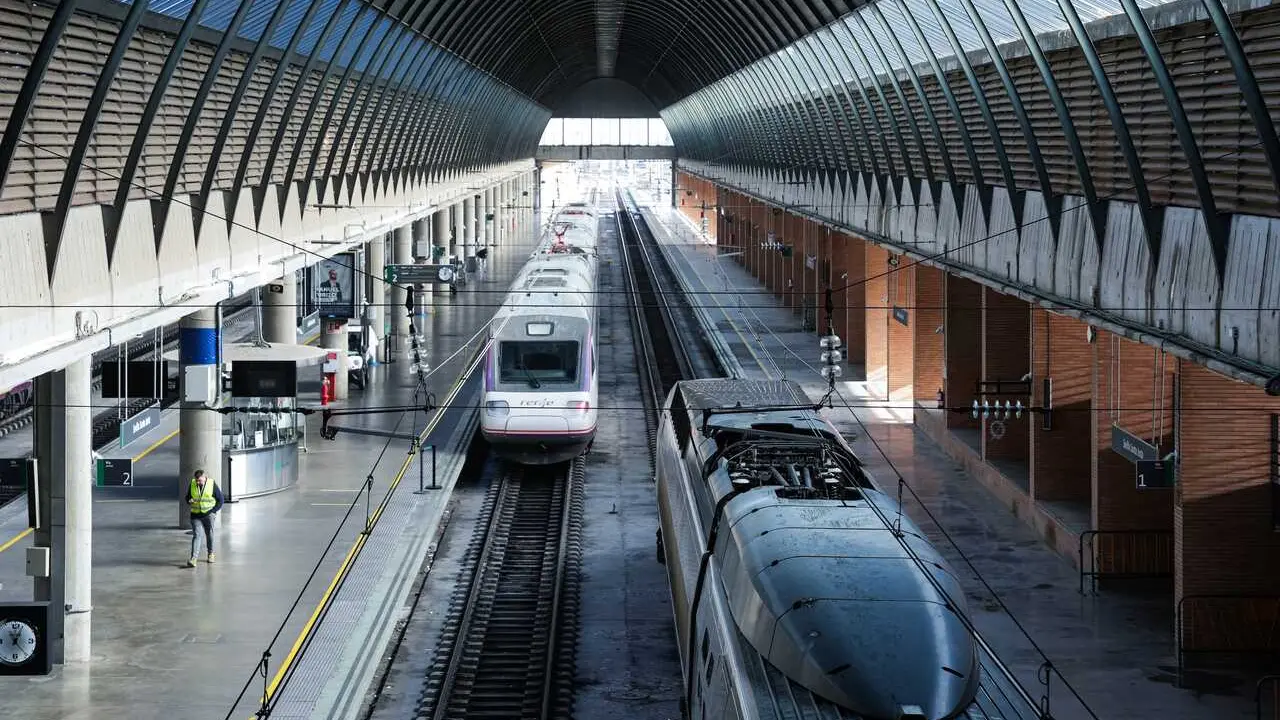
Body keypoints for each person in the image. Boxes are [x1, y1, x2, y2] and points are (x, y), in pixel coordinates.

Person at [186, 469, 224, 567]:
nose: (198, 482)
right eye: (197, 480)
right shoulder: (193, 483)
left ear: (204, 477)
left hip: (208, 514)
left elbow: (220, 500)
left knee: (209, 534)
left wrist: (213, 511)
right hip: (195, 514)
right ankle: (193, 559)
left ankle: (210, 553)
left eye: (200, 480)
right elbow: (187, 497)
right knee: (197, 535)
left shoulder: (211, 484)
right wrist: (189, 501)